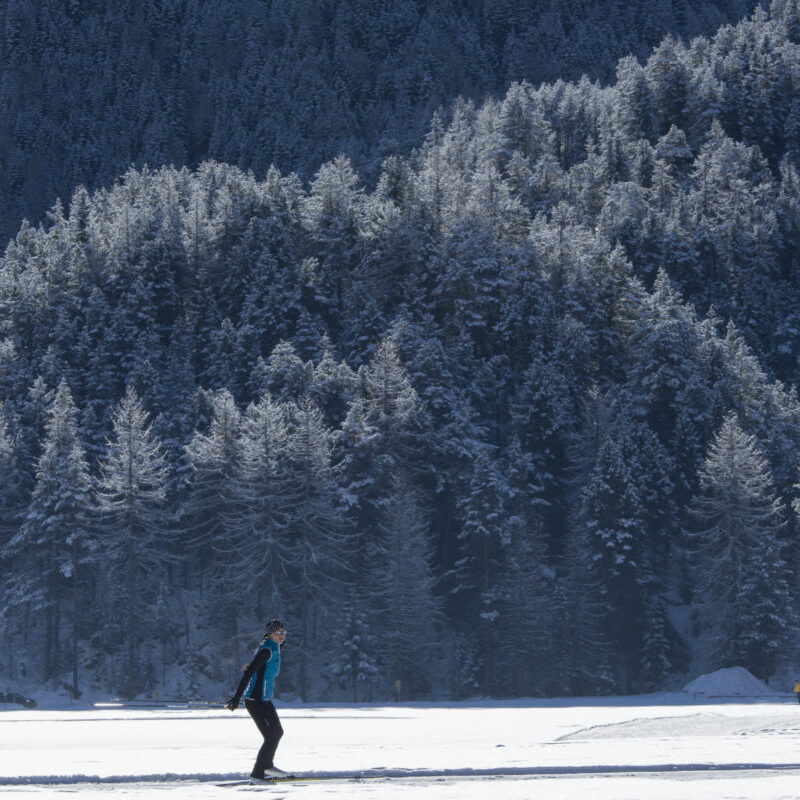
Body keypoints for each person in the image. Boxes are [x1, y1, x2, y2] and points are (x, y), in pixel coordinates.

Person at [226, 619, 289, 783]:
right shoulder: (266, 651)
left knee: (277, 733)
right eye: (278, 632)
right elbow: (248, 674)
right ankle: (257, 774)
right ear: (270, 634)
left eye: (283, 632)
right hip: (255, 701)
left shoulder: (274, 646)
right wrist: (237, 698)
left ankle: (267, 766)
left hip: (265, 699)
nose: (282, 635)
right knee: (270, 737)